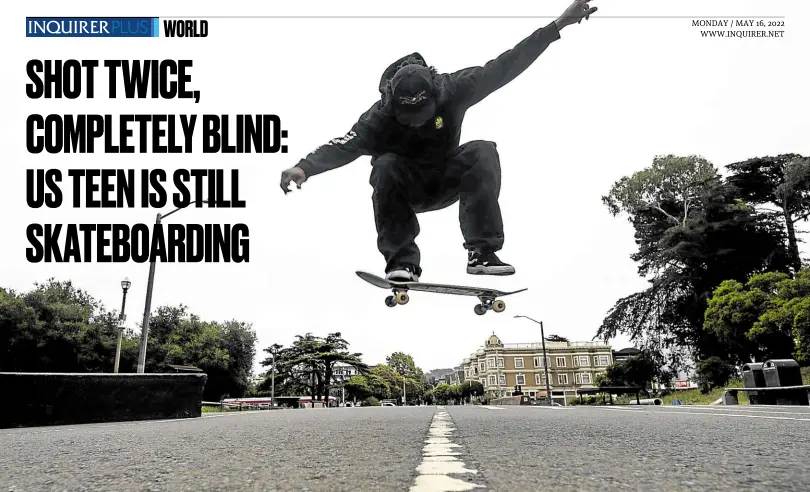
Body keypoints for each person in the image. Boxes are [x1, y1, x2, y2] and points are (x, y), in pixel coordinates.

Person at [281, 0, 598, 282]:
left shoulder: (456, 87)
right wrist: (304, 168)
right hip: (405, 190)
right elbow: (343, 145)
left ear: (436, 93)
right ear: (393, 105)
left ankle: (482, 254)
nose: (417, 121)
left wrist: (559, 24)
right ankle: (402, 262)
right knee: (386, 164)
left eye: (423, 113)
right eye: (408, 116)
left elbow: (506, 65)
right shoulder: (377, 117)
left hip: (447, 178)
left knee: (483, 151)